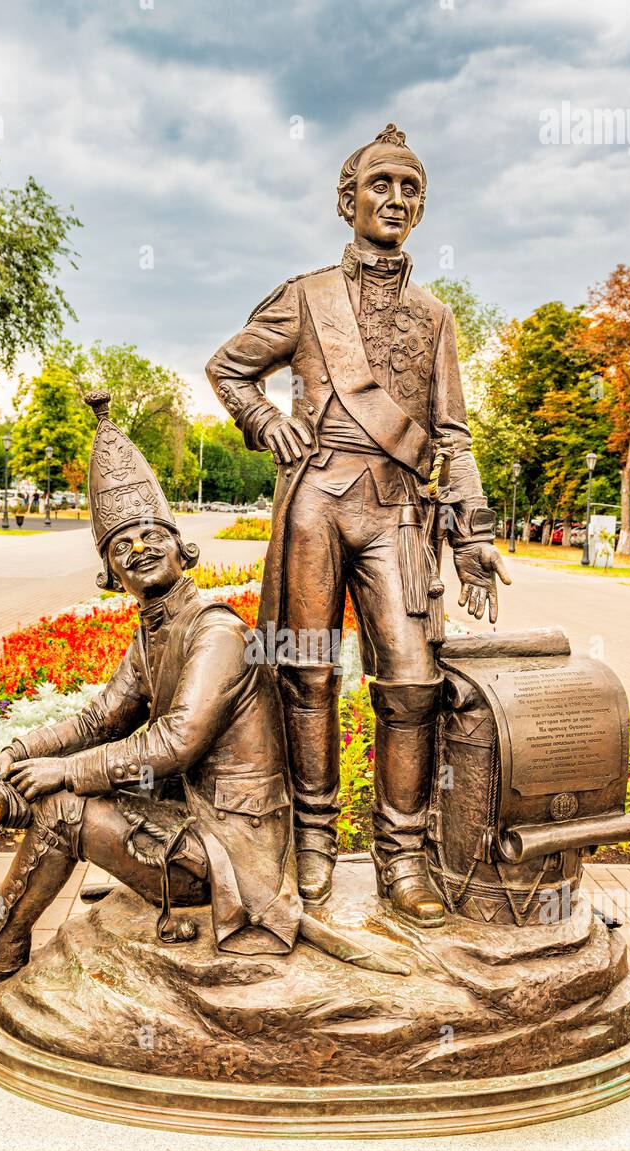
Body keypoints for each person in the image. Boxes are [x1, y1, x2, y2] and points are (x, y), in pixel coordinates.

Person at [206, 123, 509, 925]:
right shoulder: (306, 297)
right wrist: (263, 421)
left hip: (398, 513)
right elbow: (228, 368)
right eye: (383, 185)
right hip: (315, 506)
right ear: (348, 201)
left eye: (412, 190)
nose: (397, 201)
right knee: (306, 672)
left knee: (411, 682)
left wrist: (473, 535)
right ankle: (310, 844)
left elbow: (453, 435)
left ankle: (402, 858)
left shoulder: (436, 316)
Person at [0, 392, 302, 985]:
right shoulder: (151, 635)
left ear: (179, 544)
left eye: (149, 535)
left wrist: (64, 773)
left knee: (63, 807)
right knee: (61, 787)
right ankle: (1, 801)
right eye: (120, 545)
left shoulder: (216, 632)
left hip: (234, 856)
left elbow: (174, 743)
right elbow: (100, 720)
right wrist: (22, 751)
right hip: (191, 822)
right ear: (110, 573)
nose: (137, 548)